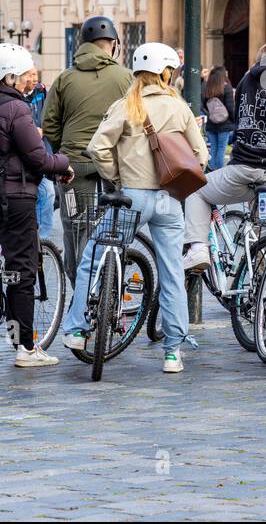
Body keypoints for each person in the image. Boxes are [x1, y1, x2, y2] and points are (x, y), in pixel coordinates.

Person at [87, 44, 209, 373]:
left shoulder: (126, 105)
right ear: (166, 72)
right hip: (169, 200)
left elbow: (97, 147)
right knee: (171, 273)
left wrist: (116, 178)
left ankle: (77, 328)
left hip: (132, 196)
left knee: (96, 255)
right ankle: (173, 353)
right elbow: (202, 157)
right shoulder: (178, 106)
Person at [182, 22, 266, 271]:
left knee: (196, 191)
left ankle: (198, 248)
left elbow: (240, 118)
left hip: (242, 167)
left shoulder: (247, 78)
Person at [0, 43, 74, 368]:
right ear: (12, 76)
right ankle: (25, 347)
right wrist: (65, 163)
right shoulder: (16, 108)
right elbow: (38, 157)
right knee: (20, 271)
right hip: (13, 198)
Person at [41, 16, 133, 280]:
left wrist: (64, 150)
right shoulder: (126, 77)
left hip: (74, 164)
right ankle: (110, 281)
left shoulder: (64, 78)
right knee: (115, 223)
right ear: (114, 44)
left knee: (75, 227)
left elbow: (49, 123)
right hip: (114, 162)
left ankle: (80, 291)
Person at [21, 67, 56, 240]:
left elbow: (51, 116)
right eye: (30, 75)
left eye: (36, 74)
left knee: (48, 193)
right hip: (21, 157)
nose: (34, 78)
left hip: (40, 153)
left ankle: (43, 241)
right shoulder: (15, 96)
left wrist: (44, 130)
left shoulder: (42, 92)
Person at [202, 65, 237, 171]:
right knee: (221, 149)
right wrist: (234, 119)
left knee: (213, 149)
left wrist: (210, 114)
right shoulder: (226, 87)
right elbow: (230, 107)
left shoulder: (207, 87)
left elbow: (203, 105)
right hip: (224, 124)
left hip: (211, 124)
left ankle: (211, 173)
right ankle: (219, 174)